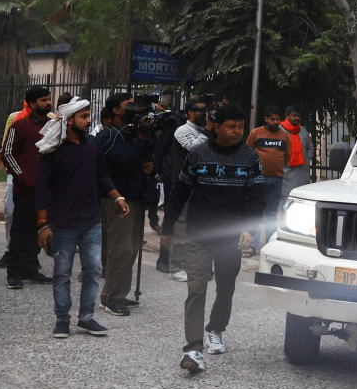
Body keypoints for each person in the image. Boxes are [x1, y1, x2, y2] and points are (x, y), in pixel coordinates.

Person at [162, 104, 265, 373]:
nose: (237, 132)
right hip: (199, 234)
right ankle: (193, 349)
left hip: (231, 237)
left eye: (241, 127)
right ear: (216, 126)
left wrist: (249, 230)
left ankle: (216, 328)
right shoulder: (198, 154)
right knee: (196, 289)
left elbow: (257, 197)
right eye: (231, 126)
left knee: (225, 287)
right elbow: (180, 191)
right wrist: (168, 227)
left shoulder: (249, 157)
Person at [35, 97, 129, 338]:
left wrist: (117, 196)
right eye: (83, 117)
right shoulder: (53, 149)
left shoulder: (93, 144)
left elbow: (102, 176)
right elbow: (42, 189)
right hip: (63, 222)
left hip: (91, 221)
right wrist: (43, 224)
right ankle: (62, 319)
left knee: (93, 270)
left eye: (89, 116)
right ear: (69, 120)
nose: (89, 121)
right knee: (62, 274)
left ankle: (86, 318)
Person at [96, 92, 151, 316]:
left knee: (132, 249)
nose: (134, 109)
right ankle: (113, 300)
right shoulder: (108, 135)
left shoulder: (130, 133)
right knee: (121, 250)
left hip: (136, 197)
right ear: (116, 111)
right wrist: (141, 139)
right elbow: (124, 162)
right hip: (117, 199)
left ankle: (112, 294)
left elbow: (142, 158)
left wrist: (150, 164)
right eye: (129, 106)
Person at [2, 87, 55, 288]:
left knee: (38, 230)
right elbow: (7, 154)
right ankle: (14, 272)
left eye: (49, 99)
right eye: (44, 100)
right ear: (32, 104)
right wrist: (22, 176)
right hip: (24, 191)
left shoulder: (53, 126)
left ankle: (32, 269)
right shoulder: (20, 126)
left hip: (47, 192)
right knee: (20, 231)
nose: (48, 103)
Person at [160, 98, 211, 282]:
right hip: (184, 184)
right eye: (200, 111)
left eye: (205, 111)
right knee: (181, 225)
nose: (204, 115)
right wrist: (208, 131)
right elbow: (193, 149)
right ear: (190, 113)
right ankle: (176, 266)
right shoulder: (182, 130)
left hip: (202, 185)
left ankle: (194, 265)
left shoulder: (205, 130)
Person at [245, 106, 290, 254]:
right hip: (258, 179)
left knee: (272, 214)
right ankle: (252, 245)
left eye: (278, 119)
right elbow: (248, 153)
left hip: (276, 179)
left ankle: (270, 246)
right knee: (257, 212)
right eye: (272, 119)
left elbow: (287, 157)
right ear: (266, 119)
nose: (275, 121)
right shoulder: (256, 133)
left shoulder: (284, 136)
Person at [0, 99, 30, 269]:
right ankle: (10, 250)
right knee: (10, 210)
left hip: (37, 173)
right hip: (16, 172)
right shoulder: (14, 117)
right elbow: (5, 145)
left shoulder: (49, 118)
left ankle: (31, 254)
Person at [280, 106, 314, 198]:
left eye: (299, 116)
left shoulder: (303, 130)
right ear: (287, 116)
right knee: (285, 200)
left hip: (301, 172)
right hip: (285, 173)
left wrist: (306, 162)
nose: (297, 118)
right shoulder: (279, 130)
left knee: (301, 198)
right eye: (294, 115)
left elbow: (310, 148)